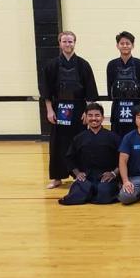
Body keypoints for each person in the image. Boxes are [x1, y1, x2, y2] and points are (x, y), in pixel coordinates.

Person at [40, 31, 98, 189]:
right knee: (58, 143)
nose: (68, 44)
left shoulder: (83, 64)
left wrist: (87, 111)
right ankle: (57, 177)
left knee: (80, 142)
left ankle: (81, 174)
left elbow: (91, 91)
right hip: (59, 109)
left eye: (70, 41)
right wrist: (49, 110)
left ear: (75, 43)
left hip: (79, 109)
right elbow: (46, 91)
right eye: (64, 41)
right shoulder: (51, 65)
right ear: (59, 43)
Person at [59, 103, 120, 205]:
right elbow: (69, 158)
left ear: (103, 117)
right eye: (90, 115)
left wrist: (114, 173)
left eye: (97, 115)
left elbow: (123, 158)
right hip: (87, 176)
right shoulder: (79, 138)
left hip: (106, 177)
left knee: (103, 195)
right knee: (76, 196)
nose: (94, 119)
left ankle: (93, 192)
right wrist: (78, 173)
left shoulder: (113, 137)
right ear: (86, 117)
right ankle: (88, 190)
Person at [106, 31, 140, 138]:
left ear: (133, 45)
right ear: (117, 45)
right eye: (122, 43)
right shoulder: (111, 65)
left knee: (136, 139)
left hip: (136, 109)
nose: (125, 46)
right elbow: (110, 88)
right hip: (118, 108)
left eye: (128, 43)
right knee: (117, 140)